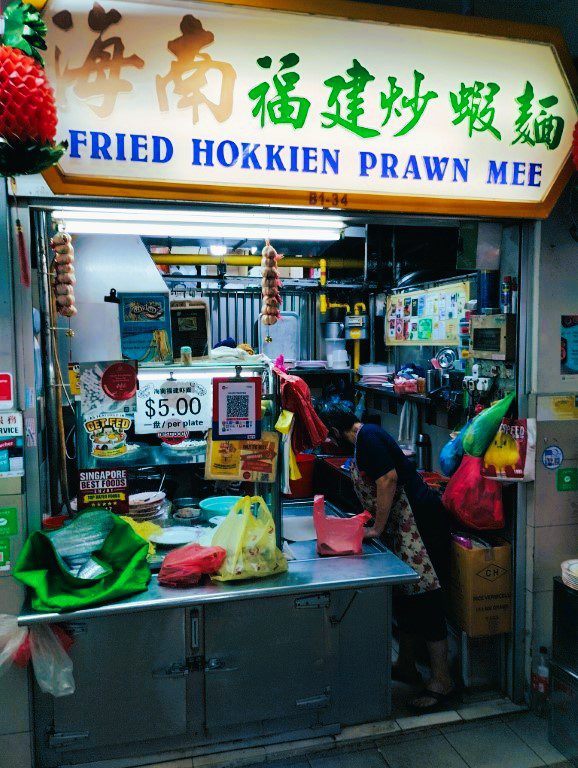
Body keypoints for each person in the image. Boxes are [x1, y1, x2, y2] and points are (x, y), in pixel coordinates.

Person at [320, 405, 455, 713]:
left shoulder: (368, 437)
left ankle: (442, 680)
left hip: (418, 523)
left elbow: (388, 480)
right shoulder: (364, 439)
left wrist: (377, 527)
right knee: (406, 596)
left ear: (335, 429)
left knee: (426, 599)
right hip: (403, 527)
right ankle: (407, 665)